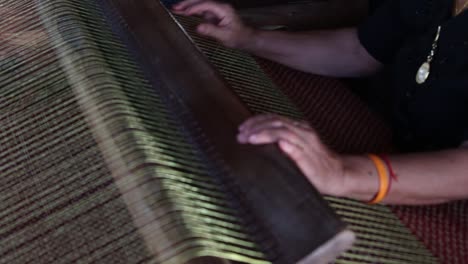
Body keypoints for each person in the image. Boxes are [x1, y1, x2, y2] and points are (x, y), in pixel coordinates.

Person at [173, 0, 468, 205]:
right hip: (389, 152)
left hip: (444, 206)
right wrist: (247, 38)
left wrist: (343, 174)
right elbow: (359, 51)